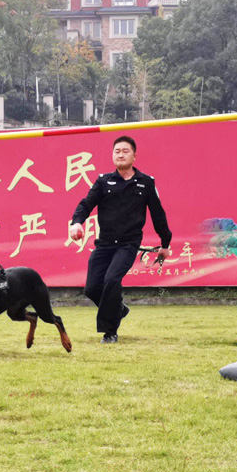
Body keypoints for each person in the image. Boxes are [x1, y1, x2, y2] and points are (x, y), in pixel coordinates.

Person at [69, 135, 172, 343]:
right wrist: (77, 222)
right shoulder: (103, 181)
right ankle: (119, 308)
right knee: (91, 288)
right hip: (104, 243)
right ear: (112, 155)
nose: (121, 155)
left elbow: (158, 215)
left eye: (125, 151)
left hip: (128, 244)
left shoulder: (145, 183)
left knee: (111, 280)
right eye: (117, 151)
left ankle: (110, 331)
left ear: (134, 155)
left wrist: (165, 243)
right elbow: (85, 205)